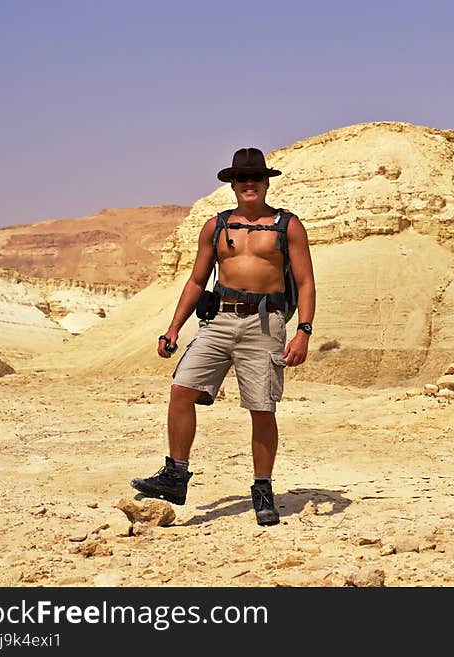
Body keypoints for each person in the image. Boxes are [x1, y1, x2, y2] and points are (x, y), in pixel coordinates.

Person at [131, 147, 316, 526]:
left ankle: (262, 488)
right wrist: (173, 328)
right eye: (242, 178)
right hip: (219, 319)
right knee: (181, 389)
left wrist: (303, 332)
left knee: (262, 407)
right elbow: (198, 280)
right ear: (232, 184)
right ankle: (175, 474)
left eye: (256, 178)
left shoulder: (288, 225)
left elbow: (305, 281)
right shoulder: (215, 227)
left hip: (265, 324)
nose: (249, 184)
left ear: (266, 182)